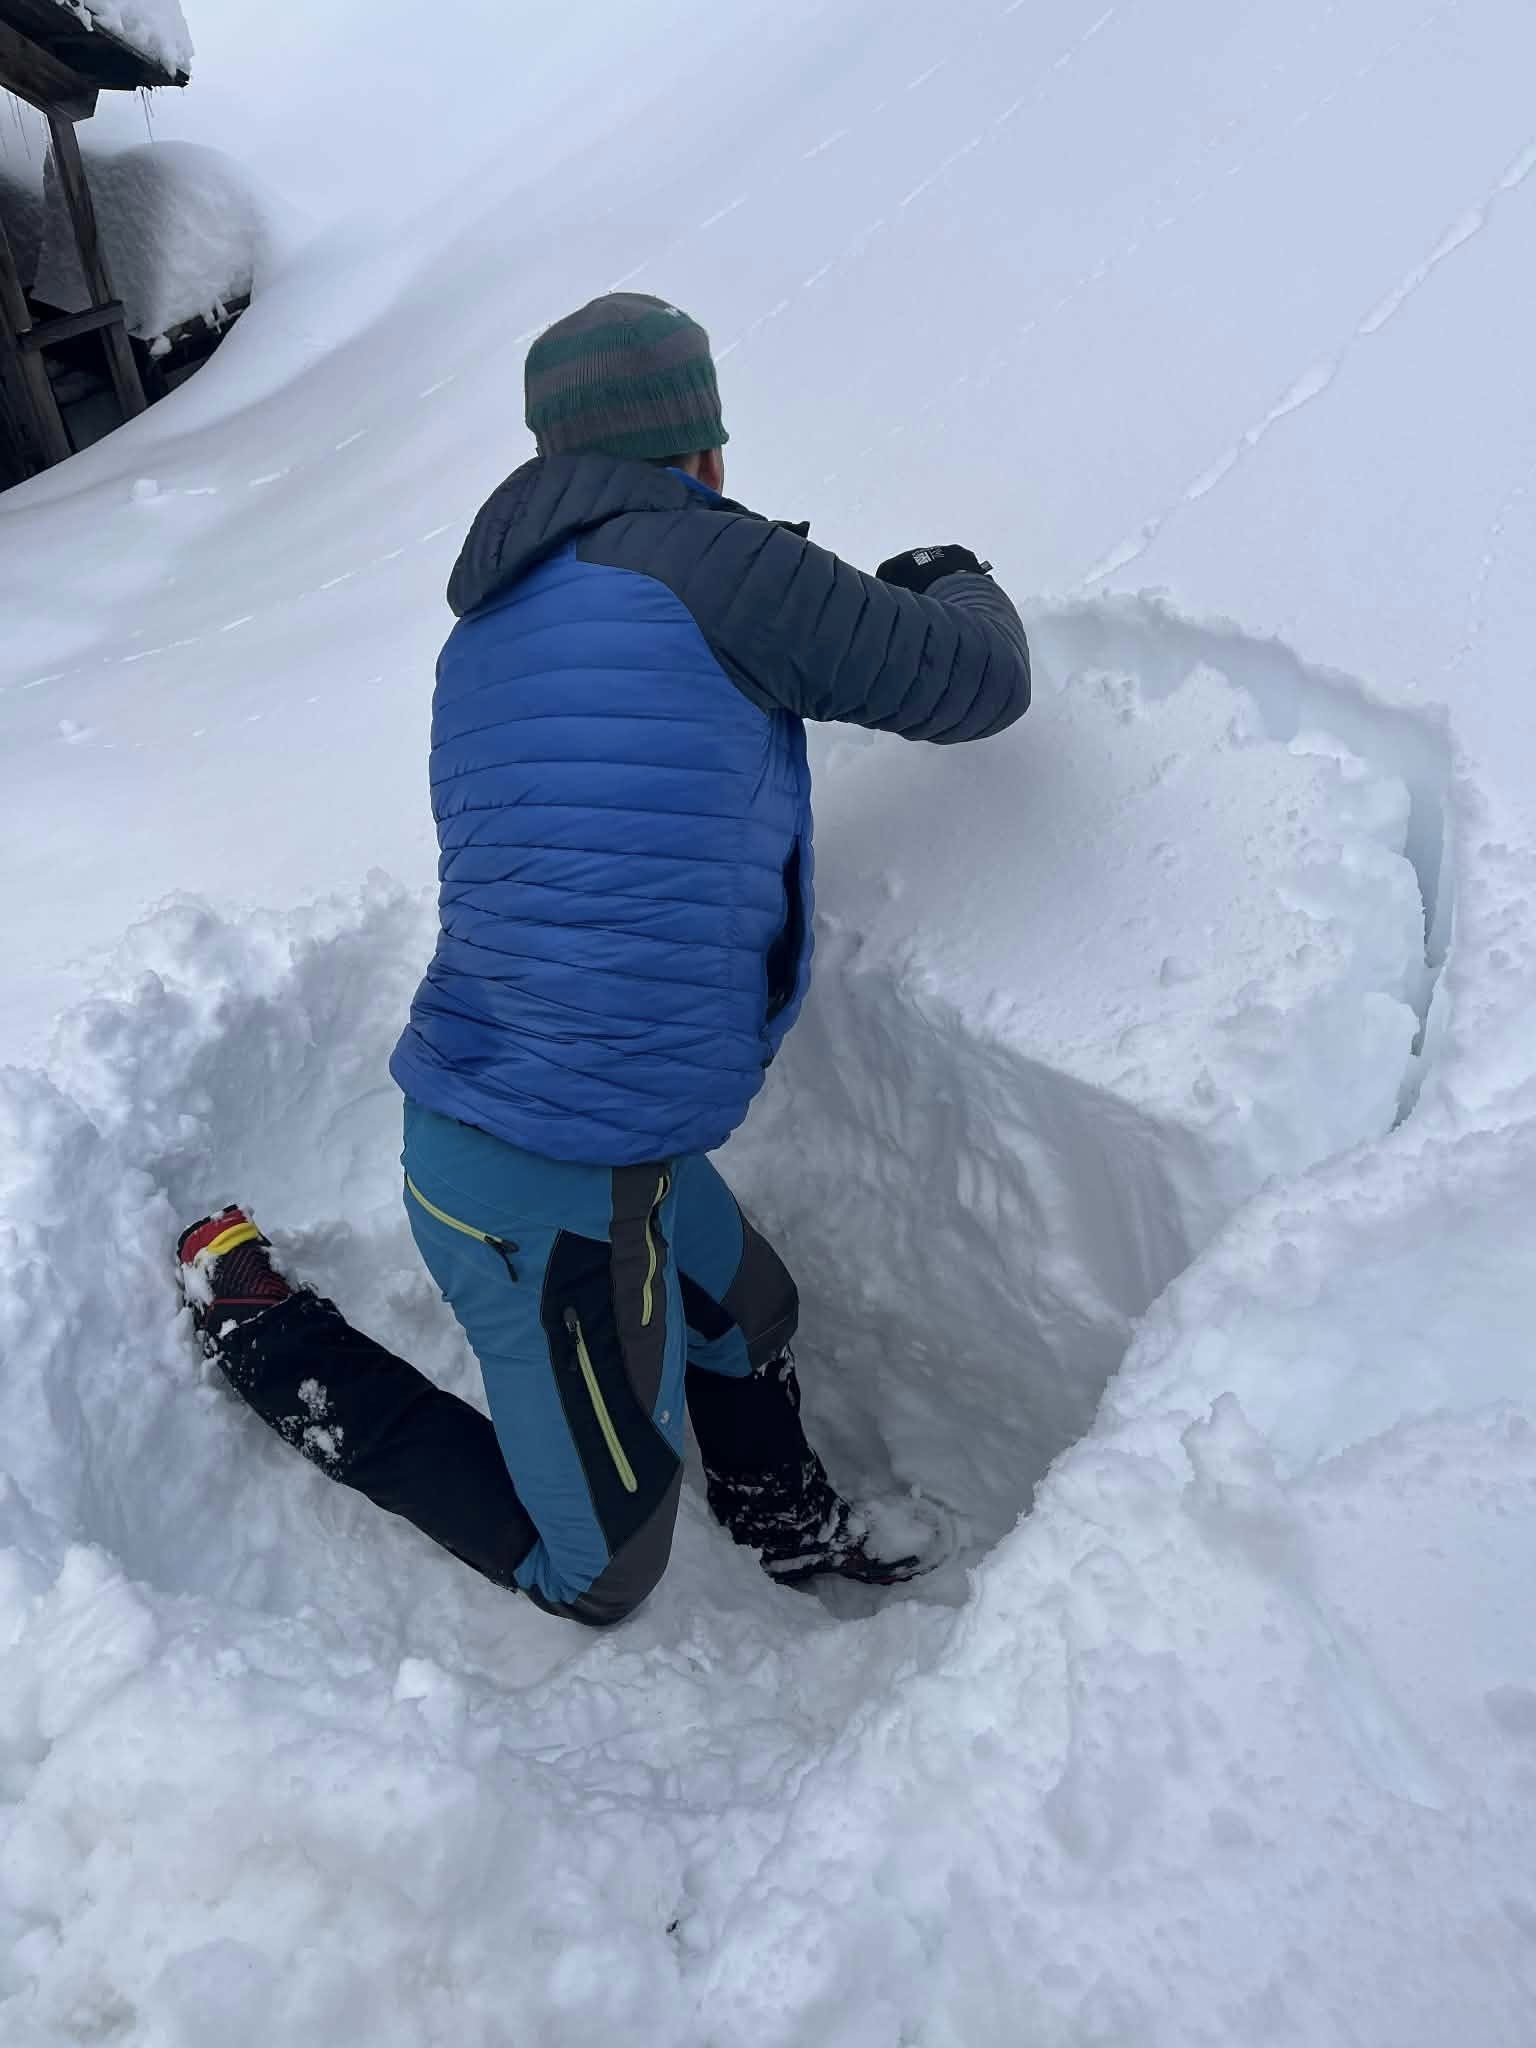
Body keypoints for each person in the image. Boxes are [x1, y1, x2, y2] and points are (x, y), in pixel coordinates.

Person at [177, 292, 1031, 1626]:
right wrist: (949, 576)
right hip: (534, 1186)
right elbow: (975, 682)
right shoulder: (712, 564)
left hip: (585, 1123)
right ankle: (263, 1324)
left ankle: (781, 1519)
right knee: (598, 1572)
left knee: (748, 1312)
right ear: (701, 446)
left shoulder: (489, 627)